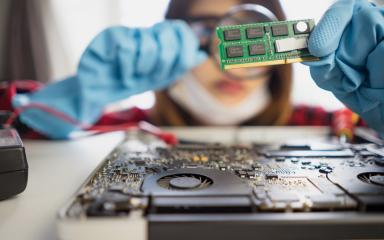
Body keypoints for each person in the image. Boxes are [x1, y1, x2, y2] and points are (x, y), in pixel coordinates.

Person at [6, 0, 384, 139]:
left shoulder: (341, 129)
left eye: (247, 35)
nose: (225, 56)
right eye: (207, 31)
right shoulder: (119, 131)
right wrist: (62, 104)